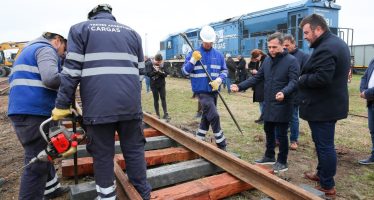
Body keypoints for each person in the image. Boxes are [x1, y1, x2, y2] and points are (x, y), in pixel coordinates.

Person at [51, 4, 151, 200]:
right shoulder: (133, 34)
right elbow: (140, 73)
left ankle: (106, 197)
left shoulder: (81, 29)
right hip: (131, 107)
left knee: (103, 155)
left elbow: (71, 73)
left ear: (92, 16)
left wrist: (62, 105)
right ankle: (142, 194)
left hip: (99, 109)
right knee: (135, 150)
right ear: (110, 16)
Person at [7, 31, 69, 199]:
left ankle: (51, 189)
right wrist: (72, 77)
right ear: (57, 40)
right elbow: (51, 79)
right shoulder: (46, 49)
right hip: (34, 112)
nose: (63, 53)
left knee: (46, 150)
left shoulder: (29, 50)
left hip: (24, 111)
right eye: (64, 48)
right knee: (37, 164)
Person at [231, 32, 299, 172]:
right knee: (268, 129)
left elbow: (294, 82)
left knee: (281, 133)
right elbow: (256, 79)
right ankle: (269, 156)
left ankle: (282, 161)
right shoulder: (267, 61)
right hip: (268, 102)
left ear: (282, 46)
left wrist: (284, 92)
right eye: (269, 47)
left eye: (275, 47)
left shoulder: (291, 61)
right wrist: (240, 86)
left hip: (283, 103)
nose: (271, 50)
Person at [298, 14, 350, 198]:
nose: (304, 36)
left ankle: (327, 184)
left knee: (325, 145)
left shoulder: (326, 48)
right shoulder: (334, 43)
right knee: (322, 144)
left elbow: (322, 78)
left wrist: (301, 79)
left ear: (318, 29)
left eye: (306, 32)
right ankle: (321, 174)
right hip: (328, 105)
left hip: (323, 107)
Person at [182, 25, 228, 151]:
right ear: (202, 40)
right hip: (202, 92)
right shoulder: (194, 53)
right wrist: (192, 60)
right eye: (206, 42)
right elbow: (185, 72)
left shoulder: (218, 55)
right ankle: (221, 143)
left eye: (211, 42)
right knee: (214, 115)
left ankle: (199, 138)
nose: (208, 44)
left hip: (214, 91)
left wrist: (219, 80)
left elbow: (224, 70)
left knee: (206, 116)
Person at [275, 34, 309, 150]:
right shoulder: (280, 56)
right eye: (283, 45)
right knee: (278, 116)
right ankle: (278, 138)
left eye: (287, 45)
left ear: (294, 44)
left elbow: (307, 73)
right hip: (280, 91)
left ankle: (294, 140)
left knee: (293, 117)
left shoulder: (303, 56)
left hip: (295, 92)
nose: (284, 47)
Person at [358, 58, 374, 165]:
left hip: (370, 96)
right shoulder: (372, 61)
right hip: (371, 102)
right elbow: (364, 77)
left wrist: (367, 93)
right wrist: (363, 90)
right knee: (373, 130)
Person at [147, 53, 170, 120]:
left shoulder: (164, 64)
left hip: (162, 84)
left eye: (160, 62)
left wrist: (160, 72)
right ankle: (157, 114)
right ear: (154, 60)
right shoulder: (149, 64)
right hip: (154, 85)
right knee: (156, 99)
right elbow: (148, 74)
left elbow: (166, 73)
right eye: (157, 62)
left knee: (163, 98)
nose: (159, 63)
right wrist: (155, 71)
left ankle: (165, 113)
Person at [248, 49, 267, 124]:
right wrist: (253, 71)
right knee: (260, 102)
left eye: (256, 58)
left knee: (264, 102)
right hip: (258, 84)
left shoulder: (266, 60)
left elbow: (265, 72)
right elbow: (254, 68)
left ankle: (264, 118)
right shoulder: (259, 61)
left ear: (260, 54)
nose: (256, 60)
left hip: (264, 84)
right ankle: (262, 117)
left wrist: (257, 72)